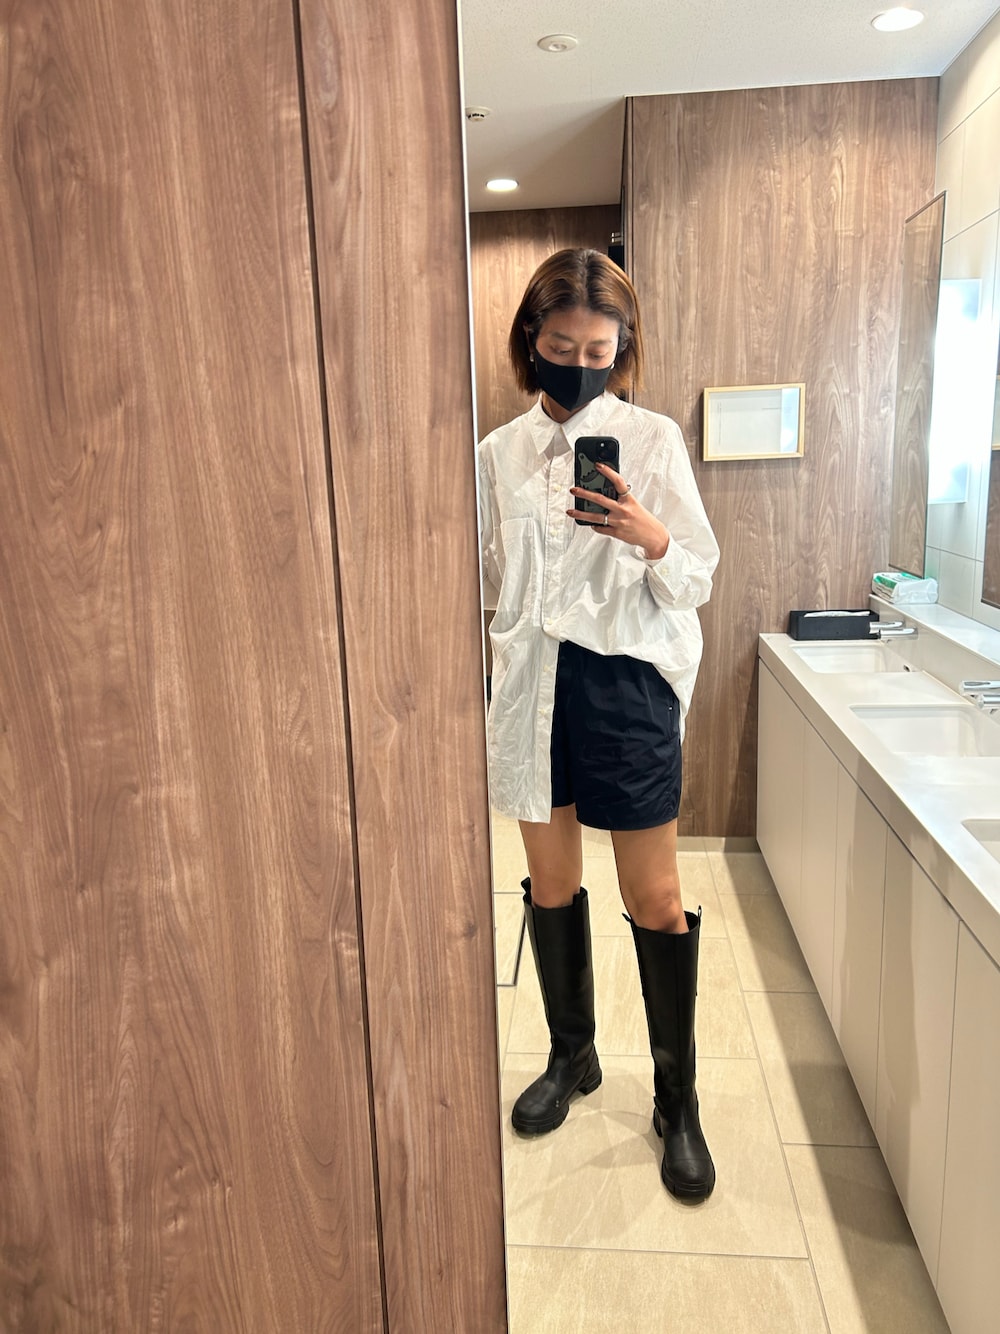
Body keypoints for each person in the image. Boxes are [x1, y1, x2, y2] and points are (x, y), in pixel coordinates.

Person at [477, 248, 720, 1203]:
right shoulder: (497, 454)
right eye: (560, 345)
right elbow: (490, 579)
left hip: (626, 685)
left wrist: (652, 538)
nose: (579, 365)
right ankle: (570, 1055)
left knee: (654, 895)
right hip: (533, 686)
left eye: (598, 350)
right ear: (530, 341)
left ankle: (676, 1100)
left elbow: (695, 578)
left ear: (622, 348)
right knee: (550, 882)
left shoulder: (652, 440)